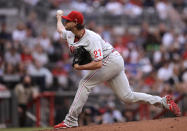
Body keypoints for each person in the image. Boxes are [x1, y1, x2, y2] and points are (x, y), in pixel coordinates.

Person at [54, 10, 181, 129]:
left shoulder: (91, 38)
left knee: (84, 83)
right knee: (127, 97)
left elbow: (98, 64)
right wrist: (59, 17)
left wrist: (80, 67)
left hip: (110, 60)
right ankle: (163, 102)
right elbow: (60, 30)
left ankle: (71, 120)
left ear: (75, 23)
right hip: (112, 61)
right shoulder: (70, 34)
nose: (66, 22)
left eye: (68, 20)